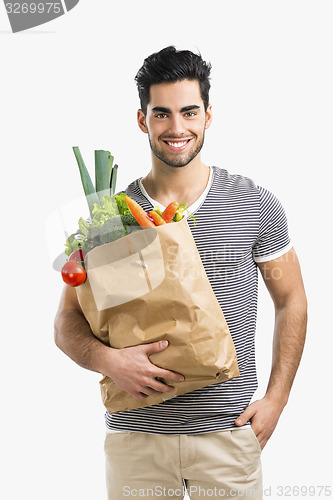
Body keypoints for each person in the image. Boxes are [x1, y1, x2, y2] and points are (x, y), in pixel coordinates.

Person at [54, 46, 307, 499]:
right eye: (162, 114)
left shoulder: (256, 206)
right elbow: (66, 322)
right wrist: (107, 360)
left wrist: (277, 399)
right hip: (137, 437)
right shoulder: (108, 220)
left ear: (208, 116)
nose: (177, 128)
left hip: (228, 433)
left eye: (189, 112)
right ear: (142, 119)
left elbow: (291, 300)